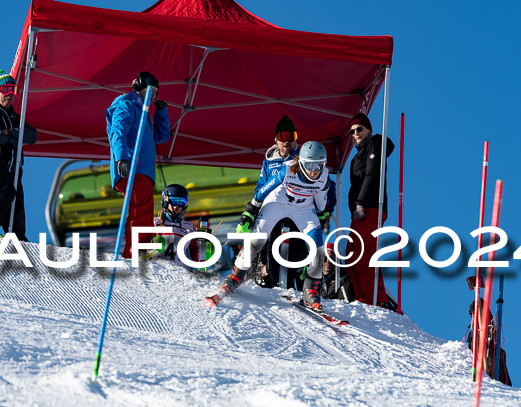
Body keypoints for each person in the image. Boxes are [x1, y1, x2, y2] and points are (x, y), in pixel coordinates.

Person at [213, 141, 331, 310]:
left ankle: (310, 290)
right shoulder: (288, 170)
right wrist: (250, 210)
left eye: (319, 165)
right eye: (310, 165)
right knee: (257, 239)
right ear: (301, 162)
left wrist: (321, 213)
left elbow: (320, 203)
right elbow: (264, 189)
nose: (314, 170)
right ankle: (236, 276)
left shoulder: (324, 177)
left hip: (303, 208)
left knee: (317, 248)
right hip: (277, 202)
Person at [106, 71, 170, 258]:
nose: (154, 97)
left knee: (145, 206)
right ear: (140, 88)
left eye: (156, 94)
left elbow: (162, 136)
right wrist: (121, 158)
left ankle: (144, 245)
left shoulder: (145, 114)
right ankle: (135, 249)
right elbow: (117, 131)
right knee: (139, 207)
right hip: (132, 168)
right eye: (151, 92)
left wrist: (161, 113)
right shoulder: (127, 105)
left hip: (143, 171)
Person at [0, 69, 38, 241]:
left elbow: (32, 136)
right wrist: (13, 136)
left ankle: (18, 238)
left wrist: (10, 132)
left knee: (17, 202)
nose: (10, 95)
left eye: (14, 90)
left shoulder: (15, 117)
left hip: (15, 168)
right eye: (6, 90)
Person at [345, 112, 395, 309]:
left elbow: (373, 175)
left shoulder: (374, 145)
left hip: (370, 207)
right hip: (358, 211)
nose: (356, 133)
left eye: (359, 129)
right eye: (352, 131)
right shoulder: (358, 154)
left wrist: (361, 202)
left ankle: (377, 299)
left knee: (364, 254)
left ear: (368, 129)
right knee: (350, 255)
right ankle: (363, 298)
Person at [144, 184, 200, 268]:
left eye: (181, 202)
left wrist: (204, 250)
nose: (176, 206)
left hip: (180, 274)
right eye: (173, 201)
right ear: (165, 202)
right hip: (158, 272)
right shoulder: (154, 223)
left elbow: (195, 253)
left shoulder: (189, 227)